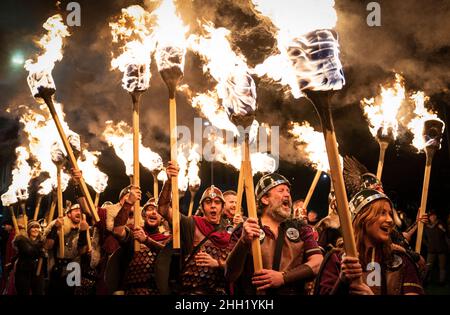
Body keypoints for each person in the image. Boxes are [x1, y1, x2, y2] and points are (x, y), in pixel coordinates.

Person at [225, 173, 323, 295]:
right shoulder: (244, 230)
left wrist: (283, 277)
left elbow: (318, 263)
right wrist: (243, 242)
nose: (287, 194)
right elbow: (229, 274)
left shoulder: (301, 228)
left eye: (288, 191)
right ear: (265, 199)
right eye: (281, 190)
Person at [315, 189, 424, 295]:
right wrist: (342, 282)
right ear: (362, 219)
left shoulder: (401, 261)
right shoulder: (336, 259)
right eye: (382, 213)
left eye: (390, 214)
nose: (390, 220)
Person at [157, 161, 232, 295]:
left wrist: (218, 263)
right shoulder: (191, 224)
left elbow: (238, 267)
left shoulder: (231, 231)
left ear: (222, 207)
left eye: (217, 202)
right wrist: (168, 181)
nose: (213, 206)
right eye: (208, 202)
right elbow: (162, 209)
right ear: (202, 208)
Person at [112, 197, 171, 295]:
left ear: (162, 218)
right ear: (143, 215)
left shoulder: (167, 239)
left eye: (157, 210)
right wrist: (129, 202)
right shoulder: (133, 235)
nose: (153, 212)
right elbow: (117, 231)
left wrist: (146, 240)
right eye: (150, 209)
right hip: (133, 291)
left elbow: (168, 256)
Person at [44, 203, 89, 295]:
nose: (79, 212)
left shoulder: (84, 228)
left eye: (80, 211)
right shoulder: (58, 226)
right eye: (76, 210)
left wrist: (84, 232)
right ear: (68, 214)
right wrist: (55, 228)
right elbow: (48, 245)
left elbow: (82, 251)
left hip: (74, 267)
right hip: (57, 266)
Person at [12, 220, 45, 295]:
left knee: (38, 291)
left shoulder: (42, 240)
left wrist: (44, 253)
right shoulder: (22, 240)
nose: (35, 229)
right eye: (33, 227)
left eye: (37, 227)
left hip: (37, 271)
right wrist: (40, 248)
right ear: (29, 229)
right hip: (23, 271)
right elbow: (28, 251)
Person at [424, 211, 447, 285]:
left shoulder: (440, 223)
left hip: (441, 249)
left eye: (434, 216)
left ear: (436, 216)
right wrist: (427, 245)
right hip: (431, 249)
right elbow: (424, 238)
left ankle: (441, 281)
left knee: (442, 267)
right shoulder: (426, 226)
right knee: (428, 266)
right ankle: (426, 280)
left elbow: (446, 233)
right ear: (429, 217)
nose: (432, 217)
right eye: (431, 216)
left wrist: (442, 229)